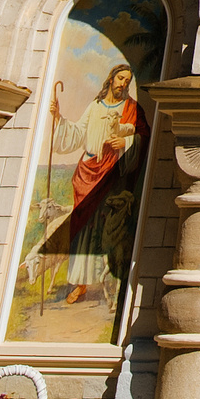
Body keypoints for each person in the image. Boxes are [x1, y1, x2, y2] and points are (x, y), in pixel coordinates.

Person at [59, 63, 139, 307]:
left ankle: (111, 282)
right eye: (120, 78)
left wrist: (124, 143)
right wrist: (58, 120)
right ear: (111, 78)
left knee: (105, 228)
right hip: (87, 169)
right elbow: (78, 132)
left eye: (127, 81)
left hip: (111, 172)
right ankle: (80, 283)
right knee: (83, 227)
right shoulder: (95, 106)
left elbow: (138, 136)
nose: (123, 84)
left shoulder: (130, 108)